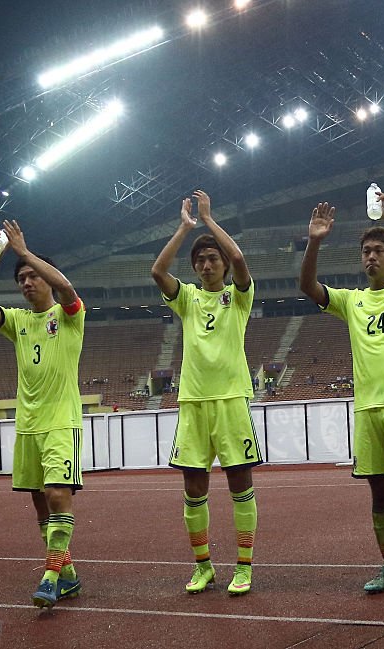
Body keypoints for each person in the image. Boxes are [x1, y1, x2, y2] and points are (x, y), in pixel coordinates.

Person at [299, 192, 384, 596]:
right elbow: (308, 285)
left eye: (378, 251)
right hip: (368, 410)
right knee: (379, 492)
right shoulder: (351, 301)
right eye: (365, 251)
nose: (370, 257)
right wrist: (315, 240)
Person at [152, 190, 261, 596]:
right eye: (199, 259)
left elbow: (241, 261)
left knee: (239, 483)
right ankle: (204, 567)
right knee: (193, 488)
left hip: (231, 399)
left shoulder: (238, 296)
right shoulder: (187, 298)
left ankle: (244, 566)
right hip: (193, 402)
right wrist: (184, 228)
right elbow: (157, 271)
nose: (206, 263)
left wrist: (211, 221)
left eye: (212, 258)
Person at [0, 220, 84, 608]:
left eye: (34, 276)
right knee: (39, 501)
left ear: (47, 280)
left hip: (60, 422)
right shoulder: (19, 321)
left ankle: (50, 576)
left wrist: (24, 252)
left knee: (56, 496)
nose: (27, 281)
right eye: (21, 278)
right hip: (27, 426)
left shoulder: (69, 316)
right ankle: (67, 574)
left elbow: (68, 288)